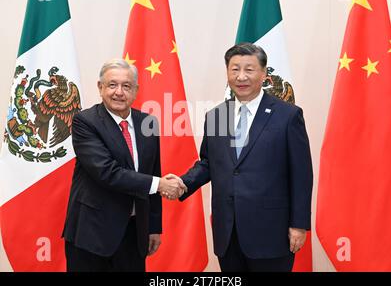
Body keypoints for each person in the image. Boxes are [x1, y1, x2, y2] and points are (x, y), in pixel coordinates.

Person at [175, 43, 313, 272]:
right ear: (227, 72)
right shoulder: (216, 115)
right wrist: (182, 183)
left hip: (272, 233)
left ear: (263, 73)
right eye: (234, 69)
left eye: (249, 69)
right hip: (228, 233)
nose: (241, 76)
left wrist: (299, 225)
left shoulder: (288, 115)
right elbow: (210, 163)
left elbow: (301, 174)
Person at [62, 58, 186, 271]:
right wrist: (160, 184)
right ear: (100, 88)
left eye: (126, 86)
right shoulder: (85, 122)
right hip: (92, 233)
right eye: (112, 85)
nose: (119, 92)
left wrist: (153, 227)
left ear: (136, 90)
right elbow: (107, 172)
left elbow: (153, 171)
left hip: (133, 233)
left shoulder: (148, 123)